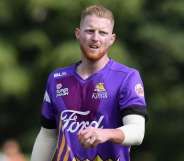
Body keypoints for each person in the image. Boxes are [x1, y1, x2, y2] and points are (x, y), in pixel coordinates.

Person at [30, 4, 148, 161]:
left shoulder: (127, 77)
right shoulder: (57, 79)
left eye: (103, 33)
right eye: (90, 31)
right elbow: (47, 134)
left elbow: (137, 132)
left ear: (112, 39)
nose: (96, 38)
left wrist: (105, 133)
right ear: (78, 34)